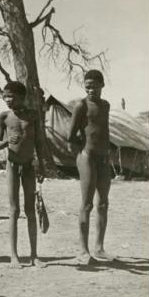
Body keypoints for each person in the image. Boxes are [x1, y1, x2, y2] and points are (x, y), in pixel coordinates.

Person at [0, 81, 46, 269]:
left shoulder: (33, 116)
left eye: (12, 96)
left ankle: (34, 255)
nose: (8, 100)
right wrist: (7, 141)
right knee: (14, 210)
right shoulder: (4, 117)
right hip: (12, 165)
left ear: (22, 97)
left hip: (28, 167)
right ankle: (14, 256)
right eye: (5, 96)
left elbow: (40, 142)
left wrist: (41, 165)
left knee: (31, 210)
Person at [67, 69, 113, 265]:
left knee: (103, 203)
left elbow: (104, 130)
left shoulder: (106, 105)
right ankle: (83, 250)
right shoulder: (81, 105)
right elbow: (70, 137)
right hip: (87, 156)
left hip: (104, 158)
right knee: (87, 204)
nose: (90, 89)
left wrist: (105, 153)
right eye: (87, 86)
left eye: (94, 85)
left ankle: (99, 248)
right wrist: (82, 155)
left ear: (102, 85)